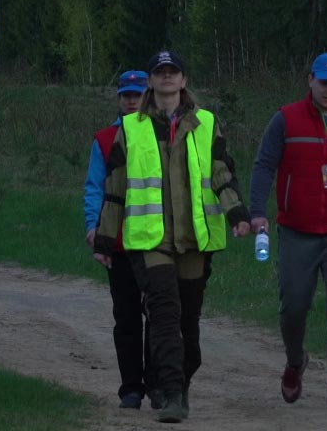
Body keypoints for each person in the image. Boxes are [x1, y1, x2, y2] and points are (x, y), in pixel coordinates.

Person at [94, 51, 252, 424]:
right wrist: (104, 240)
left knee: (188, 322)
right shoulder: (130, 127)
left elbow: (221, 173)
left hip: (195, 240)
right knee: (164, 314)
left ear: (183, 80)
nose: (166, 77)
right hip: (150, 241)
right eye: (159, 72)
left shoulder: (208, 123)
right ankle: (170, 393)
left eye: (173, 72)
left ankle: (178, 382)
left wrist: (237, 214)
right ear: (150, 81)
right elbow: (115, 187)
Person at [250, 52, 327, 409]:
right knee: (294, 308)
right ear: (310, 80)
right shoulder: (286, 119)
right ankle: (296, 361)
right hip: (297, 230)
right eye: (324, 82)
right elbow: (265, 165)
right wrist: (257, 212)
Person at [86, 70, 154, 408]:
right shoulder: (104, 139)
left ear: (148, 96)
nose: (131, 100)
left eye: (137, 94)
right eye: (126, 94)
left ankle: (157, 385)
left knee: (158, 316)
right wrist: (93, 228)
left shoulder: (162, 134)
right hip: (119, 242)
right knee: (126, 316)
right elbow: (94, 188)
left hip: (157, 241)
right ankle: (131, 388)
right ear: (118, 98)